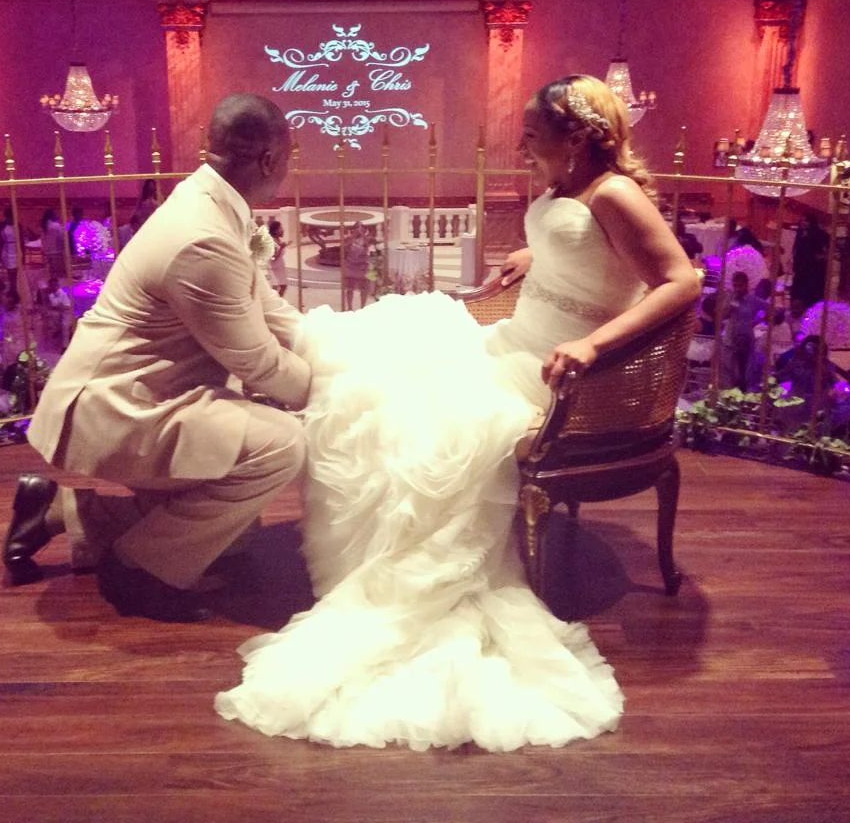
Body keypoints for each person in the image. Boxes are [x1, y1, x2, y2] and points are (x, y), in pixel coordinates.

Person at [214, 74, 701, 751]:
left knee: (419, 420)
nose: (522, 145)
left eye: (533, 135)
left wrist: (591, 344)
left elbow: (682, 280)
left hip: (550, 367)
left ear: (577, 138)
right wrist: (543, 254)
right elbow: (587, 248)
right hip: (509, 335)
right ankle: (369, 559)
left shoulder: (615, 192)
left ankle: (401, 583)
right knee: (370, 376)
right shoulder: (573, 188)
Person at [4, 94, 310, 624]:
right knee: (282, 445)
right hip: (119, 405)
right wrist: (337, 391)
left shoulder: (209, 200)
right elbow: (258, 363)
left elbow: (271, 310)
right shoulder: (204, 237)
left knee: (233, 536)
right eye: (291, 156)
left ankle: (62, 510)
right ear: (270, 159)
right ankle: (140, 572)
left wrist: (337, 348)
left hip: (144, 392)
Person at [791, 212, 829, 310]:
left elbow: (827, 247)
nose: (803, 223)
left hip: (814, 270)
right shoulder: (800, 233)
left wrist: (821, 256)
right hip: (802, 268)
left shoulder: (818, 233)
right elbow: (797, 249)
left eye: (806, 220)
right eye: (802, 220)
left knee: (811, 293)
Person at [342, 220, 372, 309]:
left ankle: (363, 307)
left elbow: (368, 247)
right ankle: (350, 307)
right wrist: (353, 237)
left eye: (361, 228)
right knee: (349, 288)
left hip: (363, 266)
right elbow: (345, 249)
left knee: (364, 288)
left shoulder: (368, 238)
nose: (359, 230)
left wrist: (362, 236)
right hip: (351, 266)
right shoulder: (348, 239)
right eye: (356, 228)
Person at [40, 208, 66, 280]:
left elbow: (42, 240)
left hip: (47, 253)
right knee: (59, 274)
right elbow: (62, 237)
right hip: (56, 252)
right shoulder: (56, 226)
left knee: (51, 274)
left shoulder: (43, 227)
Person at [266, 220, 288, 297]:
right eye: (280, 228)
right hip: (274, 267)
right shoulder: (271, 241)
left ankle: (278, 301)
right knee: (276, 287)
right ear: (275, 230)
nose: (282, 230)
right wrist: (281, 248)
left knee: (282, 286)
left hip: (279, 266)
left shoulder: (278, 240)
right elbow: (273, 257)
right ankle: (275, 301)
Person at [0, 207, 19, 296]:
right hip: (7, 250)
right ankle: (12, 289)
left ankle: (14, 289)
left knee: (16, 273)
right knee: (10, 272)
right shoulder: (2, 227)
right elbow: (1, 240)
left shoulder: (17, 226)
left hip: (16, 250)